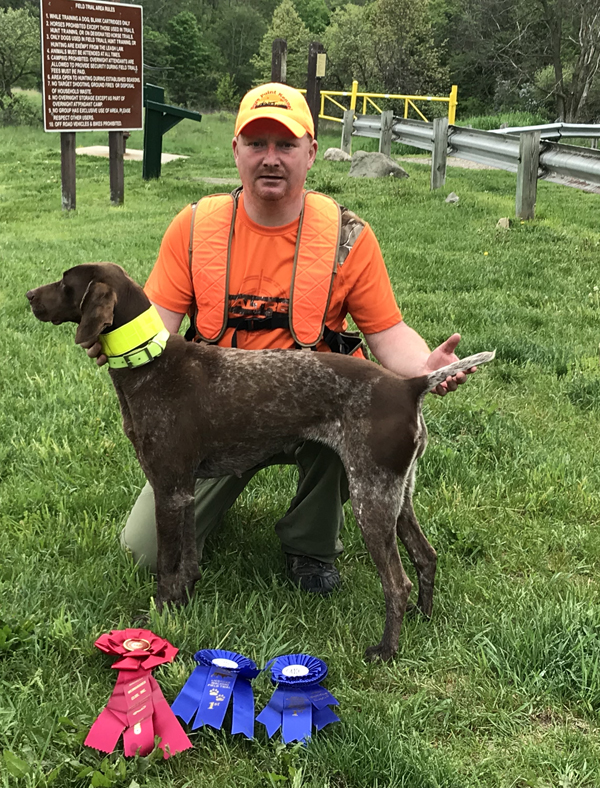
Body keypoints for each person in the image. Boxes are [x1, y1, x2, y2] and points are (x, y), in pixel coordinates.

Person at [86, 83, 476, 594]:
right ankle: (202, 523)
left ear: (311, 152)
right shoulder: (194, 227)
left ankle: (310, 546)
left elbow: (387, 333)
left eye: (286, 144)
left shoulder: (347, 236)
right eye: (256, 143)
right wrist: (115, 337)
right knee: (146, 550)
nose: (270, 158)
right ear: (235, 151)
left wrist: (424, 364)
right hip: (215, 417)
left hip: (314, 411)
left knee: (353, 408)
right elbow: (157, 331)